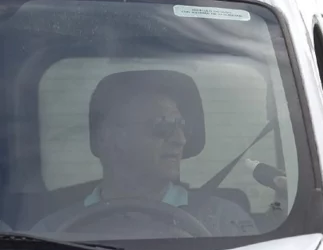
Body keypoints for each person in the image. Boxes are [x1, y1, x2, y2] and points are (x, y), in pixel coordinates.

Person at [33, 70, 258, 237]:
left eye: (183, 126)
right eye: (163, 126)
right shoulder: (53, 232)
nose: (180, 139)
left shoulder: (224, 221)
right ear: (109, 138)